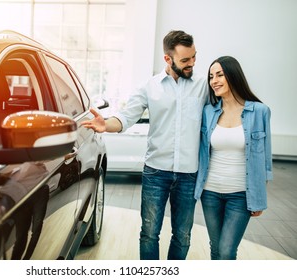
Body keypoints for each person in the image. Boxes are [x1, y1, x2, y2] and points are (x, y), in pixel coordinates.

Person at [82, 30, 208, 260]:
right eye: (185, 60)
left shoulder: (203, 85)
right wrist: (106, 124)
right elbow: (125, 118)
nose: (192, 63)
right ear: (167, 59)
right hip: (156, 172)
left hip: (189, 174)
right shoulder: (150, 87)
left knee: (183, 235)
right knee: (149, 233)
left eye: (194, 57)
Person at [194, 56, 273, 260]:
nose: (214, 81)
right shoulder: (208, 112)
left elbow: (265, 159)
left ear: (233, 75)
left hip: (241, 195)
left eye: (220, 75)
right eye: (211, 76)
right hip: (210, 192)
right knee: (216, 248)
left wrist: (259, 199)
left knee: (227, 249)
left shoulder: (260, 111)